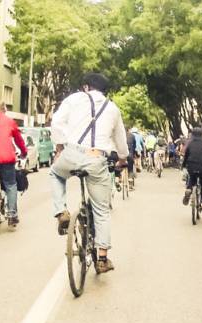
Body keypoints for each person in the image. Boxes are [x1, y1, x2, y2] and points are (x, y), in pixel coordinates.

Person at [49, 72, 128, 274]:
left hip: (72, 153)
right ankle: (102, 258)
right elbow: (121, 141)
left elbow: (56, 122)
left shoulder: (74, 99)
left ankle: (61, 211)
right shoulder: (112, 108)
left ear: (86, 87)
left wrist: (59, 148)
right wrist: (122, 159)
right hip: (97, 158)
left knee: (56, 174)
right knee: (101, 210)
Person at [0, 100, 28, 226]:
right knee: (11, 185)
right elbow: (18, 139)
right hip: (6, 158)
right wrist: (24, 152)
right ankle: (12, 214)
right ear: (4, 108)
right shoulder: (9, 121)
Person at [182, 127, 202, 211]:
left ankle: (189, 189)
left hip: (191, 165)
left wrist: (184, 165)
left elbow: (186, 156)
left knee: (192, 178)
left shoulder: (190, 143)